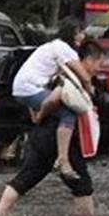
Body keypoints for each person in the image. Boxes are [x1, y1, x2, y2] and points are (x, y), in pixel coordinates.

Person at [0, 39, 104, 216]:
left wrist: (39, 117)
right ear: (89, 59)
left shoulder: (56, 71)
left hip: (42, 135)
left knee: (28, 176)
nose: (99, 68)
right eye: (99, 63)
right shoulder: (70, 74)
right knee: (82, 184)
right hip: (58, 136)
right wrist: (42, 114)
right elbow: (54, 98)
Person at [12, 17, 92, 179]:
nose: (83, 36)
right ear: (73, 33)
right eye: (81, 32)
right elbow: (85, 77)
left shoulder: (51, 46)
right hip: (31, 90)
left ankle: (39, 117)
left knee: (56, 104)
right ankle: (63, 160)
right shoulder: (65, 49)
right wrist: (89, 96)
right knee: (68, 113)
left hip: (21, 89)